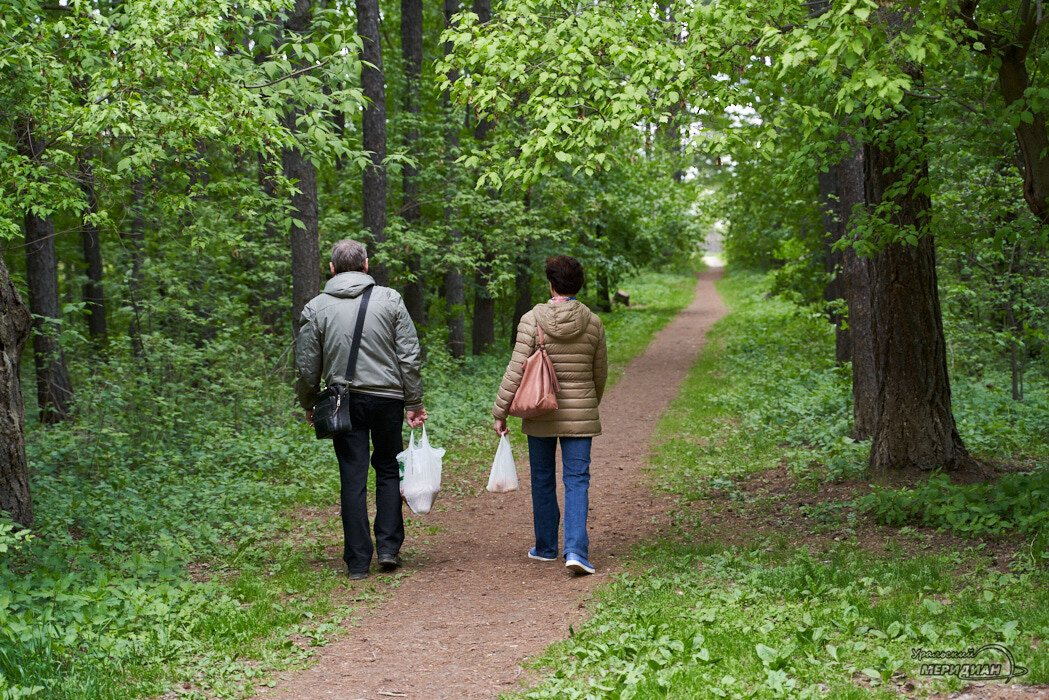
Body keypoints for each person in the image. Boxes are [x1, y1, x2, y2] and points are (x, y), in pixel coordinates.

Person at [295, 239, 427, 580]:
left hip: (344, 400)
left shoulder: (316, 307)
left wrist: (310, 401)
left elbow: (308, 366)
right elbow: (409, 356)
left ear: (332, 268)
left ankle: (356, 561)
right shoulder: (391, 299)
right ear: (366, 265)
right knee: (387, 468)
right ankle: (387, 549)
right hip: (387, 400)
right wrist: (413, 401)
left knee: (352, 476)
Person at [492, 255, 607, 575]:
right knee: (577, 480)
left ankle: (545, 547)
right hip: (580, 414)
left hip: (539, 410)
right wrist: (587, 405)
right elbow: (600, 374)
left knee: (542, 479)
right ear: (578, 285)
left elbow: (515, 370)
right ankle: (576, 551)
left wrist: (500, 411)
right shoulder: (594, 322)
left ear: (551, 283)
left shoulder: (532, 319)